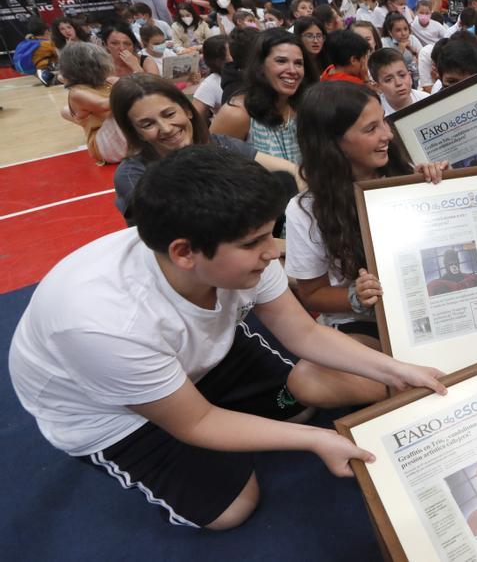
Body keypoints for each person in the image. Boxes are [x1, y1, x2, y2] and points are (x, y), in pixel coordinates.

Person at [8, 144, 446, 530]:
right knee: (233, 509)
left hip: (193, 356)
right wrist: (319, 441)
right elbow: (196, 422)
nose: (274, 251)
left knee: (296, 408)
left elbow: (304, 331)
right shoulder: (103, 326)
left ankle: (207, 394)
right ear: (185, 252)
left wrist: (397, 368)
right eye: (256, 241)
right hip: (109, 410)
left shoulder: (231, 251)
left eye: (271, 232)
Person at [288, 81, 444, 335]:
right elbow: (312, 293)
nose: (387, 135)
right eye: (371, 128)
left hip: (431, 307)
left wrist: (437, 185)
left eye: (384, 121)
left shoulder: (407, 172)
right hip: (361, 324)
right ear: (333, 142)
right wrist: (356, 296)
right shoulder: (305, 210)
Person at [110, 73, 301, 224]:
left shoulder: (220, 145)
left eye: (169, 114)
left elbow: (291, 171)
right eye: (147, 124)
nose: (166, 128)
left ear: (186, 110)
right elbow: (183, 232)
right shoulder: (134, 176)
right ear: (135, 133)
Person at [212, 29, 309, 164]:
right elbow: (209, 169)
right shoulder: (237, 114)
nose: (293, 70)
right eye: (281, 61)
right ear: (260, 66)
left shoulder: (302, 108)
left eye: (298, 63)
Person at [58, 42, 127, 165]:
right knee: (122, 107)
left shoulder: (110, 81)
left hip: (120, 137)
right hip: (105, 145)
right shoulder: (77, 92)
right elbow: (104, 105)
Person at [368, 47, 430, 116]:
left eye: (402, 75)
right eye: (388, 80)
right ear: (378, 87)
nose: (398, 83)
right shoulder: (376, 115)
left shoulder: (427, 100)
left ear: (410, 76)